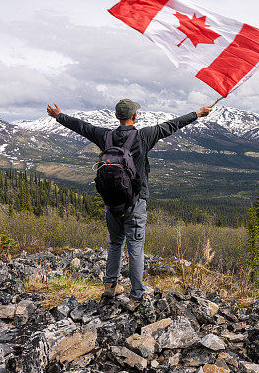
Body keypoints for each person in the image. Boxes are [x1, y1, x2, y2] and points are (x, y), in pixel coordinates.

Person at [46, 98, 212, 305]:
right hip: (136, 202)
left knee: (115, 244)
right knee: (135, 247)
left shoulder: (105, 136)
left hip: (112, 203)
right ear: (135, 116)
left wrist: (59, 116)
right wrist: (197, 113)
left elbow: (82, 127)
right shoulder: (144, 136)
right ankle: (136, 295)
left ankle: (109, 287)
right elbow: (172, 125)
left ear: (116, 116)